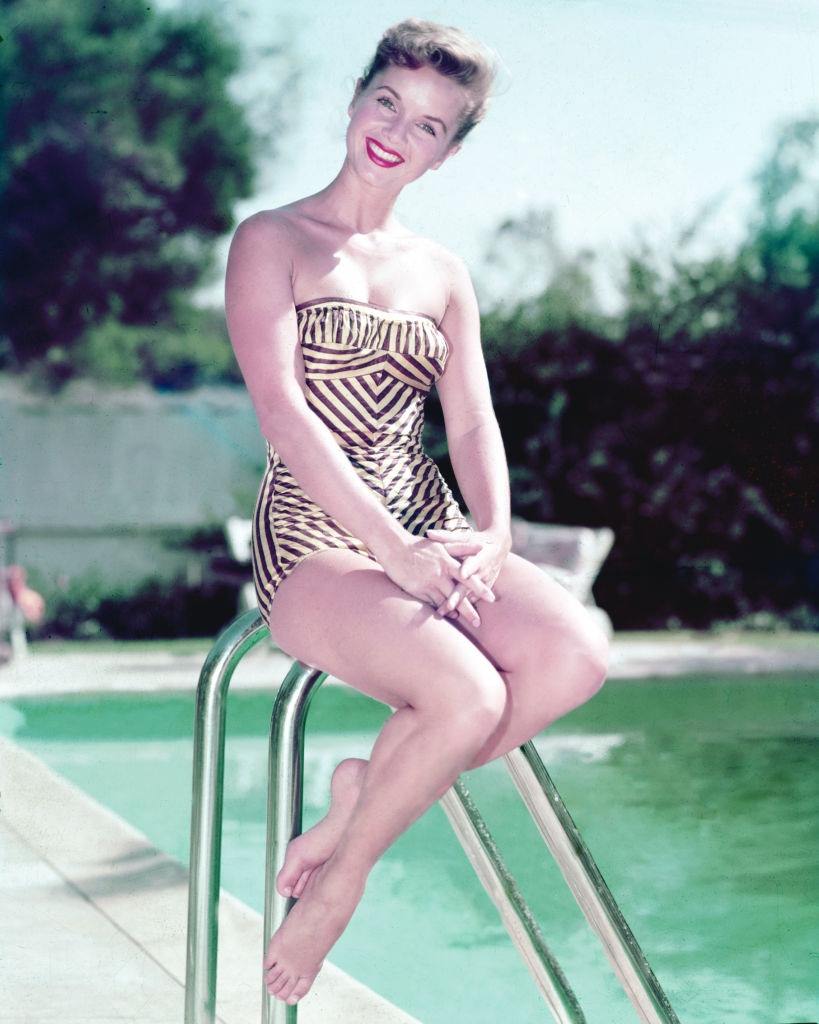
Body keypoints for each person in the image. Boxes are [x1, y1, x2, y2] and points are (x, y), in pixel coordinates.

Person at [224, 17, 610, 1007]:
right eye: (389, 101)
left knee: (577, 650)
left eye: (431, 125)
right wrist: (392, 554)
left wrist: (492, 529)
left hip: (426, 520)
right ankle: (344, 878)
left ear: (446, 154)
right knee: (470, 696)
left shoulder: (443, 274)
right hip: (316, 540)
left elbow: (472, 419)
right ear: (356, 101)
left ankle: (360, 801)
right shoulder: (272, 240)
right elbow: (285, 414)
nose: (399, 130)